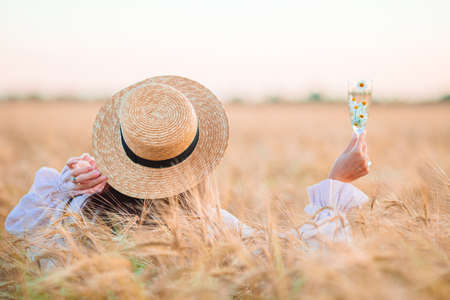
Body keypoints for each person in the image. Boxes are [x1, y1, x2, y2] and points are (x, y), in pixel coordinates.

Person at [5, 75, 370, 251]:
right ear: (199, 162)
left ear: (121, 146)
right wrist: (338, 182)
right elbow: (308, 253)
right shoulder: (210, 232)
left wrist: (64, 189)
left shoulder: (73, 216)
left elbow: (19, 231)